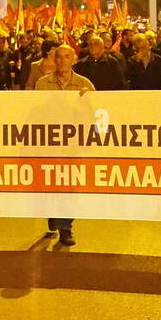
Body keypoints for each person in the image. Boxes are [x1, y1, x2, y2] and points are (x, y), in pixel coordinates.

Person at [35, 44, 93, 246]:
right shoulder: (42, 84)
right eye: (58, 57)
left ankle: (66, 226)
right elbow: (34, 111)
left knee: (70, 186)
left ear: (74, 59)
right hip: (49, 144)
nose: (62, 61)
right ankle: (53, 213)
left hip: (73, 145)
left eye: (66, 57)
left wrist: (88, 100)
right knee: (51, 184)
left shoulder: (84, 85)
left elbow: (96, 114)